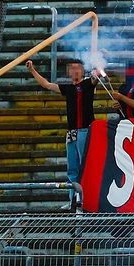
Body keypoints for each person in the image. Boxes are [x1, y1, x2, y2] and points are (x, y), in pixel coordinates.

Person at [26, 58, 96, 200]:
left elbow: (96, 77)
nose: (75, 70)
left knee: (85, 167)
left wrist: (99, 64)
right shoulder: (67, 88)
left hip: (85, 131)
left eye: (78, 68)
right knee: (72, 169)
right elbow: (46, 84)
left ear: (83, 71)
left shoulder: (88, 84)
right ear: (69, 72)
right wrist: (32, 70)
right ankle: (73, 200)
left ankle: (87, 200)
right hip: (72, 133)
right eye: (72, 68)